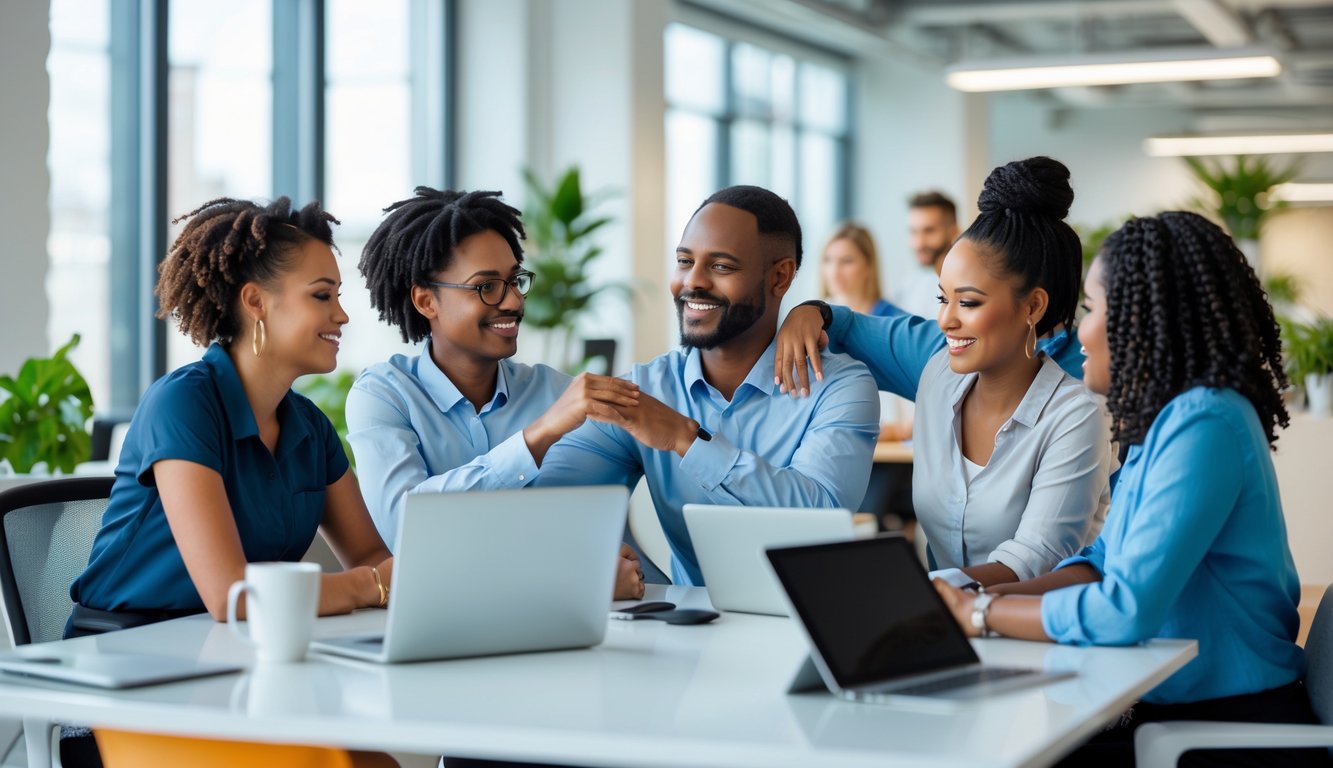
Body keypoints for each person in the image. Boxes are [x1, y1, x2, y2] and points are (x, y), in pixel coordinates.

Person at [933, 211, 1329, 768]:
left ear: (1140, 319)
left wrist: (979, 615)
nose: (1078, 331)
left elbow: (1125, 610)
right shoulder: (1166, 420)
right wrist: (984, 597)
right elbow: (1104, 561)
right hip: (1173, 712)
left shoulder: (1206, 424)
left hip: (1231, 732)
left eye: (1092, 309)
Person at [65, 197, 397, 768]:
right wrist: (368, 587)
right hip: (127, 684)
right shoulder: (183, 404)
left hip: (236, 666)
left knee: (372, 761)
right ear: (255, 302)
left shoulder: (308, 425)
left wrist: (394, 580)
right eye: (322, 296)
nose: (342, 315)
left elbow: (371, 555)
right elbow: (231, 595)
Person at [775, 157, 1111, 587]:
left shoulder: (1078, 413)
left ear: (1033, 306)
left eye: (967, 302)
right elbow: (847, 327)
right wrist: (808, 311)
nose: (945, 320)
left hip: (1035, 622)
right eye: (942, 299)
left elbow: (1034, 561)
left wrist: (911, 593)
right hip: (940, 615)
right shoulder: (938, 372)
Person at [536, 185, 881, 586]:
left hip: (808, 617)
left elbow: (819, 516)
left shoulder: (840, 386)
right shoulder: (642, 390)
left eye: (721, 266)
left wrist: (686, 439)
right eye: (684, 261)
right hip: (690, 622)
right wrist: (624, 574)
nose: (692, 281)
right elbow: (551, 512)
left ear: (780, 277)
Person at [347, 187, 646, 598]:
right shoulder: (384, 395)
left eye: (514, 281)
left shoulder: (561, 394)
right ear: (426, 300)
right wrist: (537, 436)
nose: (514, 301)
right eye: (487, 286)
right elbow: (408, 530)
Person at [893, 191, 960, 318]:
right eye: (913, 232)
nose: (919, 243)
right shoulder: (909, 284)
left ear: (953, 232)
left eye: (929, 231)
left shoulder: (969, 285)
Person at [820, 222, 904, 318]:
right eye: (828, 260)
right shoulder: (815, 317)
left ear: (868, 265)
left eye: (847, 261)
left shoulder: (894, 319)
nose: (834, 272)